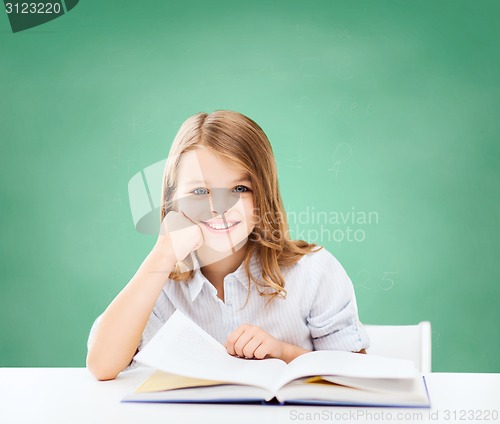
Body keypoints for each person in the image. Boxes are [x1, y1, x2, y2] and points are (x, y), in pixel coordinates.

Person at [86, 110, 369, 381]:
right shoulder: (159, 285)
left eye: (240, 189)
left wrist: (282, 353)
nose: (219, 208)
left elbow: (357, 374)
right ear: (173, 200)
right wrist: (162, 254)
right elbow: (102, 366)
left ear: (263, 197)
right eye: (199, 191)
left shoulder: (314, 271)